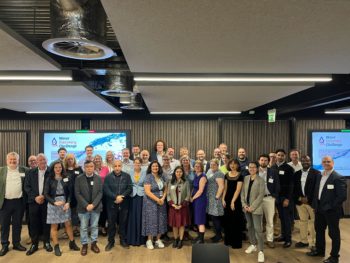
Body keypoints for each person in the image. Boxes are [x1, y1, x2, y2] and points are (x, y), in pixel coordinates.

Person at [307, 156, 347, 263]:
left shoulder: (338, 177)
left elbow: (342, 196)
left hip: (332, 211)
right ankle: (320, 250)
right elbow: (317, 192)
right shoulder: (320, 175)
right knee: (319, 231)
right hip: (319, 209)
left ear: (333, 163)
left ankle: (334, 257)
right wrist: (315, 205)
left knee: (333, 234)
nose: (326, 163)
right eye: (324, 162)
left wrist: (329, 207)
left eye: (328, 161)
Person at [44, 161, 80, 256]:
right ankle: (56, 246)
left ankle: (72, 243)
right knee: (54, 226)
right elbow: (46, 194)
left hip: (64, 203)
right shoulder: (49, 179)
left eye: (59, 167)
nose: (58, 169)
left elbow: (70, 192)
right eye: (56, 167)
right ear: (53, 168)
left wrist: (68, 202)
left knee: (68, 224)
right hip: (53, 204)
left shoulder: (66, 178)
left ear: (62, 168)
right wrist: (54, 202)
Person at [0, 152, 28, 257]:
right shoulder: (1, 170)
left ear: (18, 160)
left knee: (17, 224)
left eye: (14, 160)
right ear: (7, 160)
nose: (12, 161)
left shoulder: (24, 170)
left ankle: (16, 243)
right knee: (4, 225)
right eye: (10, 160)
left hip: (19, 202)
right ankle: (4, 245)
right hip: (5, 202)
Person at [24, 153, 52, 256]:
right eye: (40, 160)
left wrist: (44, 196)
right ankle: (34, 244)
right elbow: (27, 187)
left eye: (44, 160)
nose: (42, 162)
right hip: (33, 202)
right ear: (37, 161)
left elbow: (53, 187)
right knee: (34, 223)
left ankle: (47, 242)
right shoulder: (31, 172)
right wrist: (35, 197)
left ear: (47, 161)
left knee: (46, 223)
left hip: (46, 202)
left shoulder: (51, 171)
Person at [75, 160, 103, 256]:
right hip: (83, 208)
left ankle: (94, 244)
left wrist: (93, 205)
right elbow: (77, 193)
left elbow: (100, 193)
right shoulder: (79, 178)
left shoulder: (98, 178)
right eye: (87, 167)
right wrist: (86, 205)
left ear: (94, 167)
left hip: (96, 207)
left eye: (91, 166)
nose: (89, 168)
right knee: (83, 227)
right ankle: (84, 244)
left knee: (94, 226)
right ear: (84, 168)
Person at [104, 160, 132, 251]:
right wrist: (116, 197)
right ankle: (111, 242)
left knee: (123, 223)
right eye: (115, 166)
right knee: (111, 224)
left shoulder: (127, 176)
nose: (117, 167)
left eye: (119, 166)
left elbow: (129, 188)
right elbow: (106, 189)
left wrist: (122, 197)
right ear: (112, 166)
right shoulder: (108, 177)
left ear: (121, 166)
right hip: (112, 204)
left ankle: (123, 240)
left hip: (124, 204)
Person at [241, 161, 265, 263]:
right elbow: (242, 193)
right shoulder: (246, 178)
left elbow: (261, 195)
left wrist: (252, 207)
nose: (251, 169)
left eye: (254, 167)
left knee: (258, 229)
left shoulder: (261, 180)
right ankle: (253, 244)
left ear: (257, 168)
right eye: (250, 167)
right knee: (249, 226)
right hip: (246, 208)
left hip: (256, 208)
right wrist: (244, 205)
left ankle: (261, 251)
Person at [293, 155, 319, 248]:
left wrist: (309, 198)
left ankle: (313, 243)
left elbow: (317, 189)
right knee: (302, 222)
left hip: (311, 203)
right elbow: (294, 189)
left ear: (310, 162)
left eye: (307, 161)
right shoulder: (296, 174)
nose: (305, 162)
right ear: (301, 162)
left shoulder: (316, 173)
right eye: (303, 161)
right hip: (300, 202)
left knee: (313, 222)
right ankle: (304, 241)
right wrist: (300, 198)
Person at [142, 161, 168, 249]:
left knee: (160, 219)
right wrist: (158, 200)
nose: (155, 167)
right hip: (150, 202)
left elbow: (165, 188)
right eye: (153, 166)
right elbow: (147, 192)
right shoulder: (148, 177)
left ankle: (158, 239)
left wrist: (163, 198)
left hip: (161, 201)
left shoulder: (162, 176)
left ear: (159, 167)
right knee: (151, 220)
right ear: (150, 167)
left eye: (157, 166)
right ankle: (149, 240)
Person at [272, 149, 294, 248]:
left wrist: (287, 199)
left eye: (282, 155)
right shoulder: (273, 167)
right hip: (276, 198)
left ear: (285, 156)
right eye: (278, 155)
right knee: (281, 218)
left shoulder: (289, 168)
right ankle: (283, 236)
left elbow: (291, 185)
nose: (280, 157)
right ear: (276, 156)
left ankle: (288, 239)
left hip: (285, 198)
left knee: (287, 219)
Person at [258, 154, 280, 248]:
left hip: (269, 198)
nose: (263, 162)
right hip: (257, 199)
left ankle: (270, 239)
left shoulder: (273, 171)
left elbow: (277, 185)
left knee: (269, 220)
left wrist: (274, 196)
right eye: (262, 160)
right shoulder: (254, 171)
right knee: (257, 220)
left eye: (265, 160)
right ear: (259, 161)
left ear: (268, 161)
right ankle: (258, 239)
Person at [222, 159, 244, 249]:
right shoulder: (226, 175)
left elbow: (238, 190)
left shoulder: (240, 176)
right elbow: (225, 188)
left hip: (236, 200)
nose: (233, 165)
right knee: (228, 221)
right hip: (227, 199)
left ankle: (236, 243)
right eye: (231, 164)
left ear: (238, 165)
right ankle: (228, 241)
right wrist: (223, 199)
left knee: (235, 221)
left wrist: (232, 201)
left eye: (235, 164)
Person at [167, 166, 191, 249]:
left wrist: (182, 205)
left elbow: (188, 195)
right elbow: (168, 195)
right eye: (177, 172)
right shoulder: (170, 182)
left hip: (182, 207)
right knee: (174, 225)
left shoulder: (186, 182)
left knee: (181, 225)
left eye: (180, 172)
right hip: (173, 207)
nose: (179, 173)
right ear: (174, 173)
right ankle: (175, 239)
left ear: (182, 173)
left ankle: (180, 240)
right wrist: (173, 205)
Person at [127, 157, 147, 246]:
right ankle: (131, 239)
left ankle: (141, 239)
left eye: (139, 163)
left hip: (141, 196)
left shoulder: (145, 172)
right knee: (132, 216)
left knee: (140, 216)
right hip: (132, 196)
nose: (137, 164)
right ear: (133, 164)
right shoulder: (129, 172)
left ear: (141, 164)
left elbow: (146, 184)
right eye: (135, 163)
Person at [63, 153, 83, 236]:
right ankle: (66, 230)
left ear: (74, 159)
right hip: (66, 194)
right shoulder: (64, 170)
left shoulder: (79, 169)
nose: (70, 160)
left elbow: (82, 180)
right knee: (66, 213)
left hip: (77, 194)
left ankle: (75, 228)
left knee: (75, 213)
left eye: (71, 159)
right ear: (66, 161)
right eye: (68, 159)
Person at [206, 159, 225, 243]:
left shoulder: (219, 173)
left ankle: (219, 236)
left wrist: (217, 197)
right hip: (210, 198)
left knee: (216, 217)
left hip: (216, 198)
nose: (212, 166)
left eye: (214, 165)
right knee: (213, 218)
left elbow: (221, 186)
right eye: (211, 165)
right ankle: (217, 234)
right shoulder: (210, 172)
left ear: (217, 165)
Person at [190, 160, 207, 244]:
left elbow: (200, 190)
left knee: (200, 219)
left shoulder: (203, 177)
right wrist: (191, 195)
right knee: (197, 218)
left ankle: (201, 239)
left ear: (202, 167)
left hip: (200, 199)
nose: (197, 167)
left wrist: (193, 198)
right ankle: (199, 236)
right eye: (196, 166)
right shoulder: (196, 175)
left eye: (199, 166)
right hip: (195, 199)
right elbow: (194, 187)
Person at [93, 154, 109, 236]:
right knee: (95, 209)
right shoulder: (91, 168)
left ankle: (103, 227)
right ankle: (95, 227)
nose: (97, 160)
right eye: (96, 159)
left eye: (99, 158)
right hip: (93, 193)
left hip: (104, 192)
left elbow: (108, 180)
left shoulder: (105, 168)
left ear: (101, 160)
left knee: (104, 210)